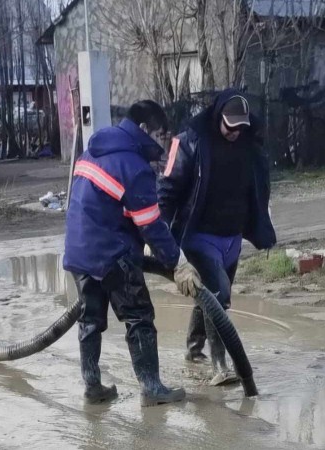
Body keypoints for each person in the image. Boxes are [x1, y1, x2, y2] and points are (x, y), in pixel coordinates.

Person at [64, 100, 201, 406]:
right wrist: (179, 263)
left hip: (78, 249)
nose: (163, 142)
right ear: (143, 130)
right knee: (138, 316)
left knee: (90, 318)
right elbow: (151, 225)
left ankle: (93, 386)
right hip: (112, 253)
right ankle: (152, 388)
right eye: (160, 134)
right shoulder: (134, 166)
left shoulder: (93, 150)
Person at [158, 90, 277, 386]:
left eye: (241, 126)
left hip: (232, 236)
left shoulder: (250, 143)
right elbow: (167, 188)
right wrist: (159, 231)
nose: (235, 132)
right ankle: (220, 366)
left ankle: (193, 349)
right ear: (217, 116)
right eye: (229, 125)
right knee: (219, 296)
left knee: (209, 296)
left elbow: (259, 184)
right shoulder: (190, 141)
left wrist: (261, 220)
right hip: (198, 235)